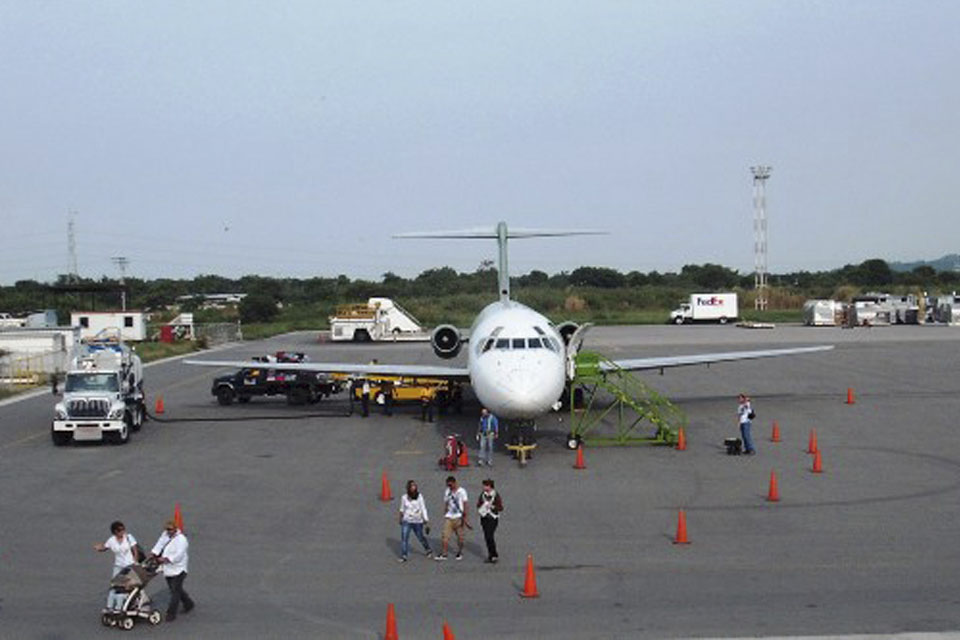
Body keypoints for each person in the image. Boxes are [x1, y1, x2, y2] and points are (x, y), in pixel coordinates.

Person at [150, 520, 194, 622]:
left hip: (179, 569)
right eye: (166, 529)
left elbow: (178, 555)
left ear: (175, 529)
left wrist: (166, 559)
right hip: (168, 569)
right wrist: (154, 553)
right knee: (175, 589)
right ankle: (189, 603)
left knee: (175, 592)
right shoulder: (165, 535)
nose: (167, 531)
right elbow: (160, 544)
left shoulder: (182, 540)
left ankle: (171, 613)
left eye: (170, 529)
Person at [94, 520, 142, 611]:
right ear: (115, 532)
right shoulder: (111, 540)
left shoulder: (129, 537)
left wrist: (135, 562)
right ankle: (109, 606)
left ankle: (119, 607)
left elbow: (135, 550)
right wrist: (99, 548)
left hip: (129, 566)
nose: (123, 531)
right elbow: (105, 547)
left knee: (123, 587)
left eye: (123, 529)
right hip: (118, 566)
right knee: (114, 585)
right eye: (120, 530)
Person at [398, 480, 432, 562]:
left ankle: (428, 549)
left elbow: (423, 508)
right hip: (407, 520)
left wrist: (426, 520)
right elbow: (402, 509)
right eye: (412, 486)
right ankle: (404, 555)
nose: (413, 487)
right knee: (404, 538)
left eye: (415, 486)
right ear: (408, 488)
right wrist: (400, 518)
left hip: (417, 521)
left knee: (420, 537)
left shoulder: (419, 497)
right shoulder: (404, 497)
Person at [435, 475, 468, 561]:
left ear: (455, 483)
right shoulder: (447, 491)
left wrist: (465, 517)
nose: (449, 487)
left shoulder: (462, 491)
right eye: (448, 485)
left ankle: (460, 552)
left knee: (460, 537)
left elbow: (465, 504)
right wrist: (445, 511)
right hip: (449, 517)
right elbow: (446, 502)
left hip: (459, 517)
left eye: (450, 485)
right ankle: (444, 553)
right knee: (445, 536)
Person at [476, 479, 504, 563]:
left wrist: (492, 507)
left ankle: (494, 555)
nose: (484, 487)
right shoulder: (483, 495)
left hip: (493, 518)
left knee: (489, 535)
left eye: (485, 485)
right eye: (483, 485)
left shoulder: (495, 495)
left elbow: (501, 507)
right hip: (484, 517)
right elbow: (478, 504)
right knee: (486, 537)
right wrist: (481, 506)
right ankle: (490, 555)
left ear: (490, 486)